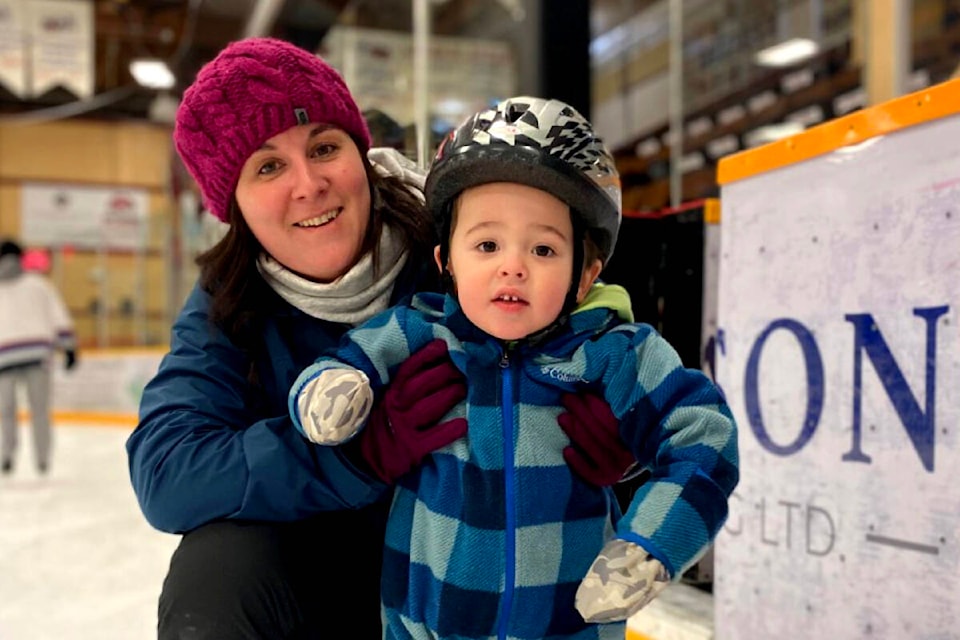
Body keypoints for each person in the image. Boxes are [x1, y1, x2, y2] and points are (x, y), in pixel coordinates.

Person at [125, 39, 630, 640]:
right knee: (217, 572)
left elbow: (613, 354)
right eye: (267, 166)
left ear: (360, 154)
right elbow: (168, 471)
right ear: (233, 206)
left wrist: (624, 451)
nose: (308, 184)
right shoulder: (227, 303)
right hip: (328, 573)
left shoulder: (470, 247)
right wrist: (350, 456)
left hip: (479, 568)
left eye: (324, 147)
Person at [289, 96, 741, 639]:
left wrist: (651, 544)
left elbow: (706, 437)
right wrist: (328, 391)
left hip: (568, 626)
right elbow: (339, 367)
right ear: (446, 261)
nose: (512, 266)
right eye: (486, 243)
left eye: (545, 250)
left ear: (584, 275)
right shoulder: (420, 333)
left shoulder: (614, 353)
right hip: (426, 625)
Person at [0, 239, 77, 475]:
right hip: (37, 354)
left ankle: (6, 456)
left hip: (4, 358)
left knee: (5, 412)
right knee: (40, 410)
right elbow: (58, 315)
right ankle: (43, 459)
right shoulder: (39, 284)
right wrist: (69, 347)